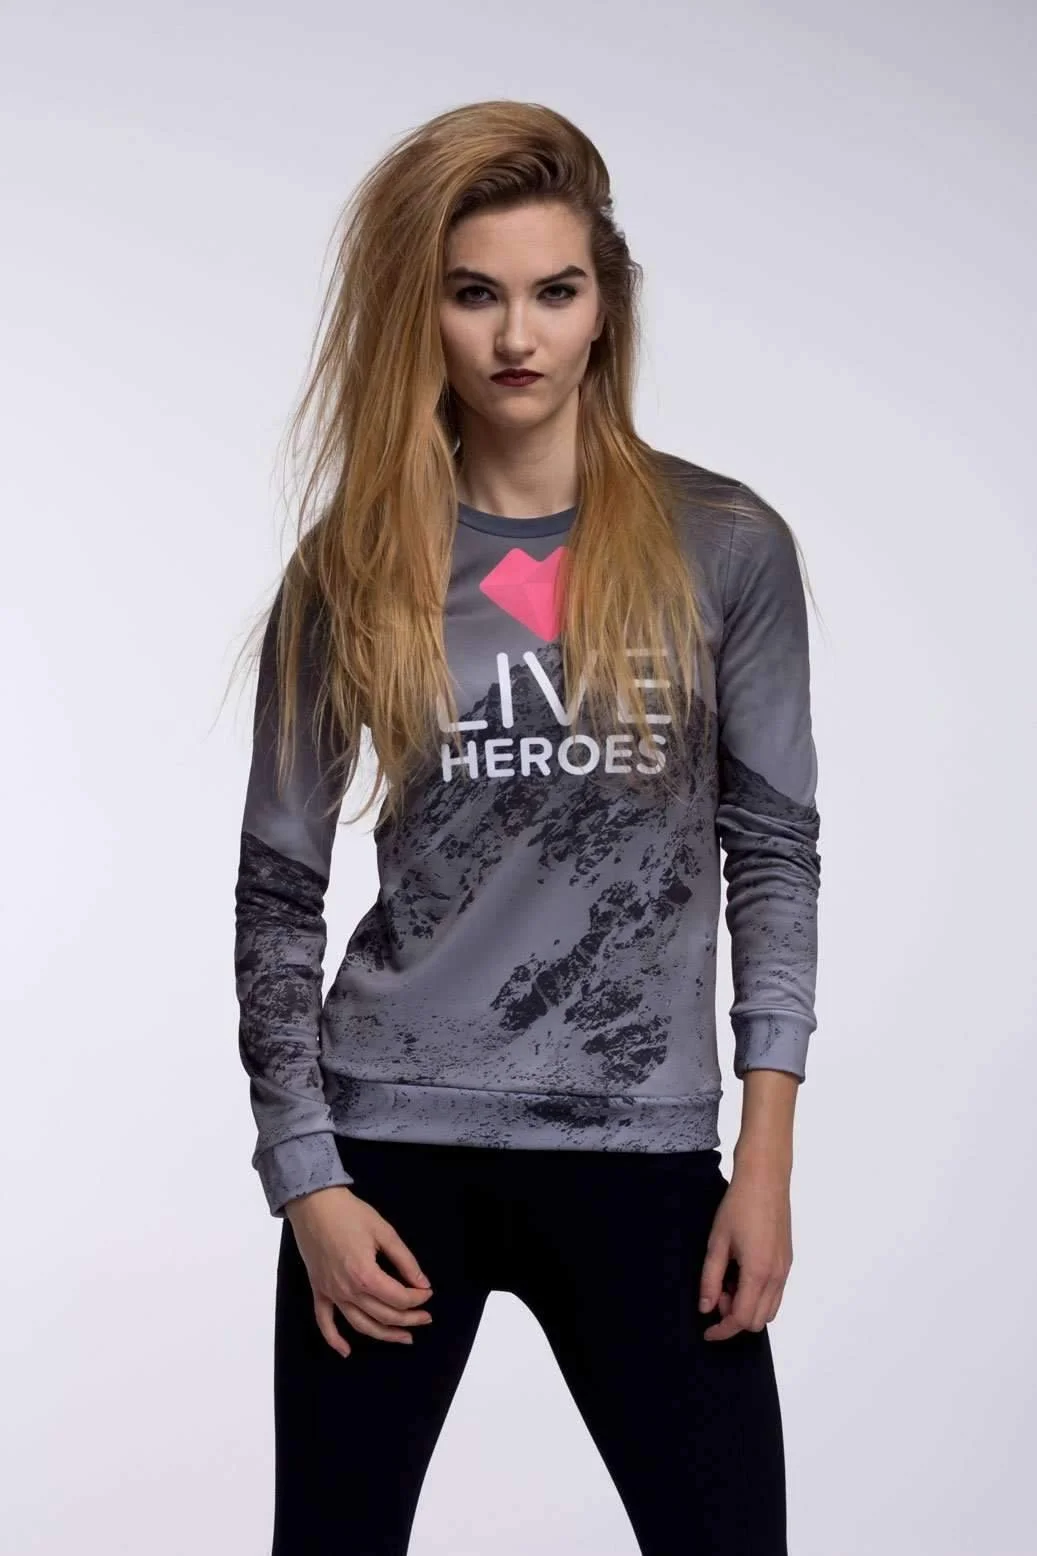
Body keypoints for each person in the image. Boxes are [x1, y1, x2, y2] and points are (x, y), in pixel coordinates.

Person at [232, 98, 821, 1556]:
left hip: (642, 1148)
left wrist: (763, 1162)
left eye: (554, 293)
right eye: (474, 294)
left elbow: (773, 854)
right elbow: (277, 893)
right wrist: (307, 1179)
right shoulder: (358, 564)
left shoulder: (723, 546)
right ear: (421, 313)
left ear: (605, 307)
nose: (517, 337)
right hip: (391, 1150)